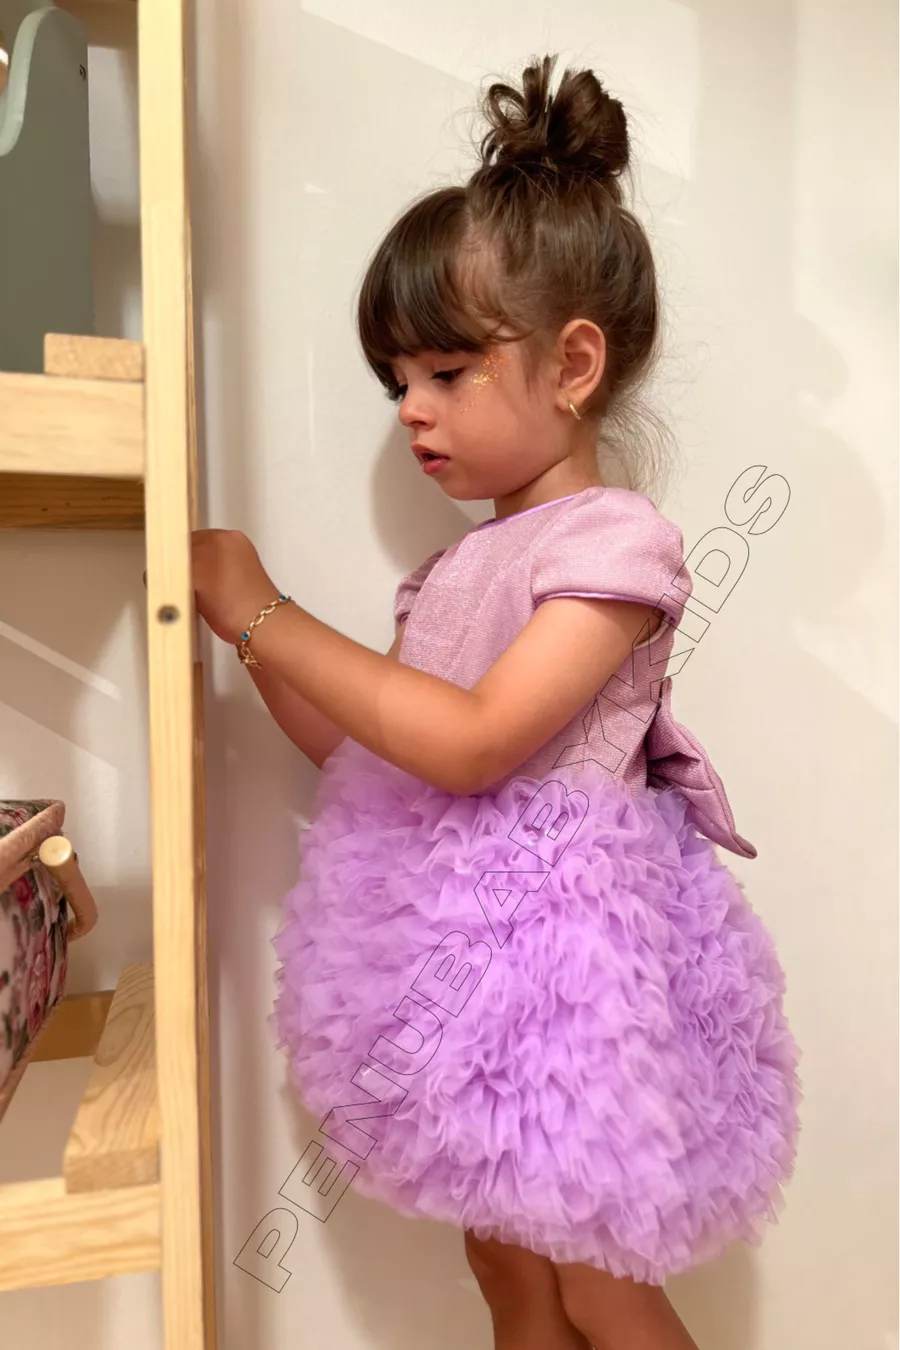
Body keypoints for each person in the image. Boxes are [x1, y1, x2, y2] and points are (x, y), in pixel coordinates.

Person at [191, 54, 800, 1350]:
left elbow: (470, 745)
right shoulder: (455, 568)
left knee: (597, 1279)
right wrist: (249, 636)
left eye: (446, 373)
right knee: (508, 1271)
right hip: (463, 961)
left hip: (569, 967)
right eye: (396, 383)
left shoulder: (613, 545)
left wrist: (267, 612)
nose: (412, 413)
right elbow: (367, 747)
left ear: (573, 364)